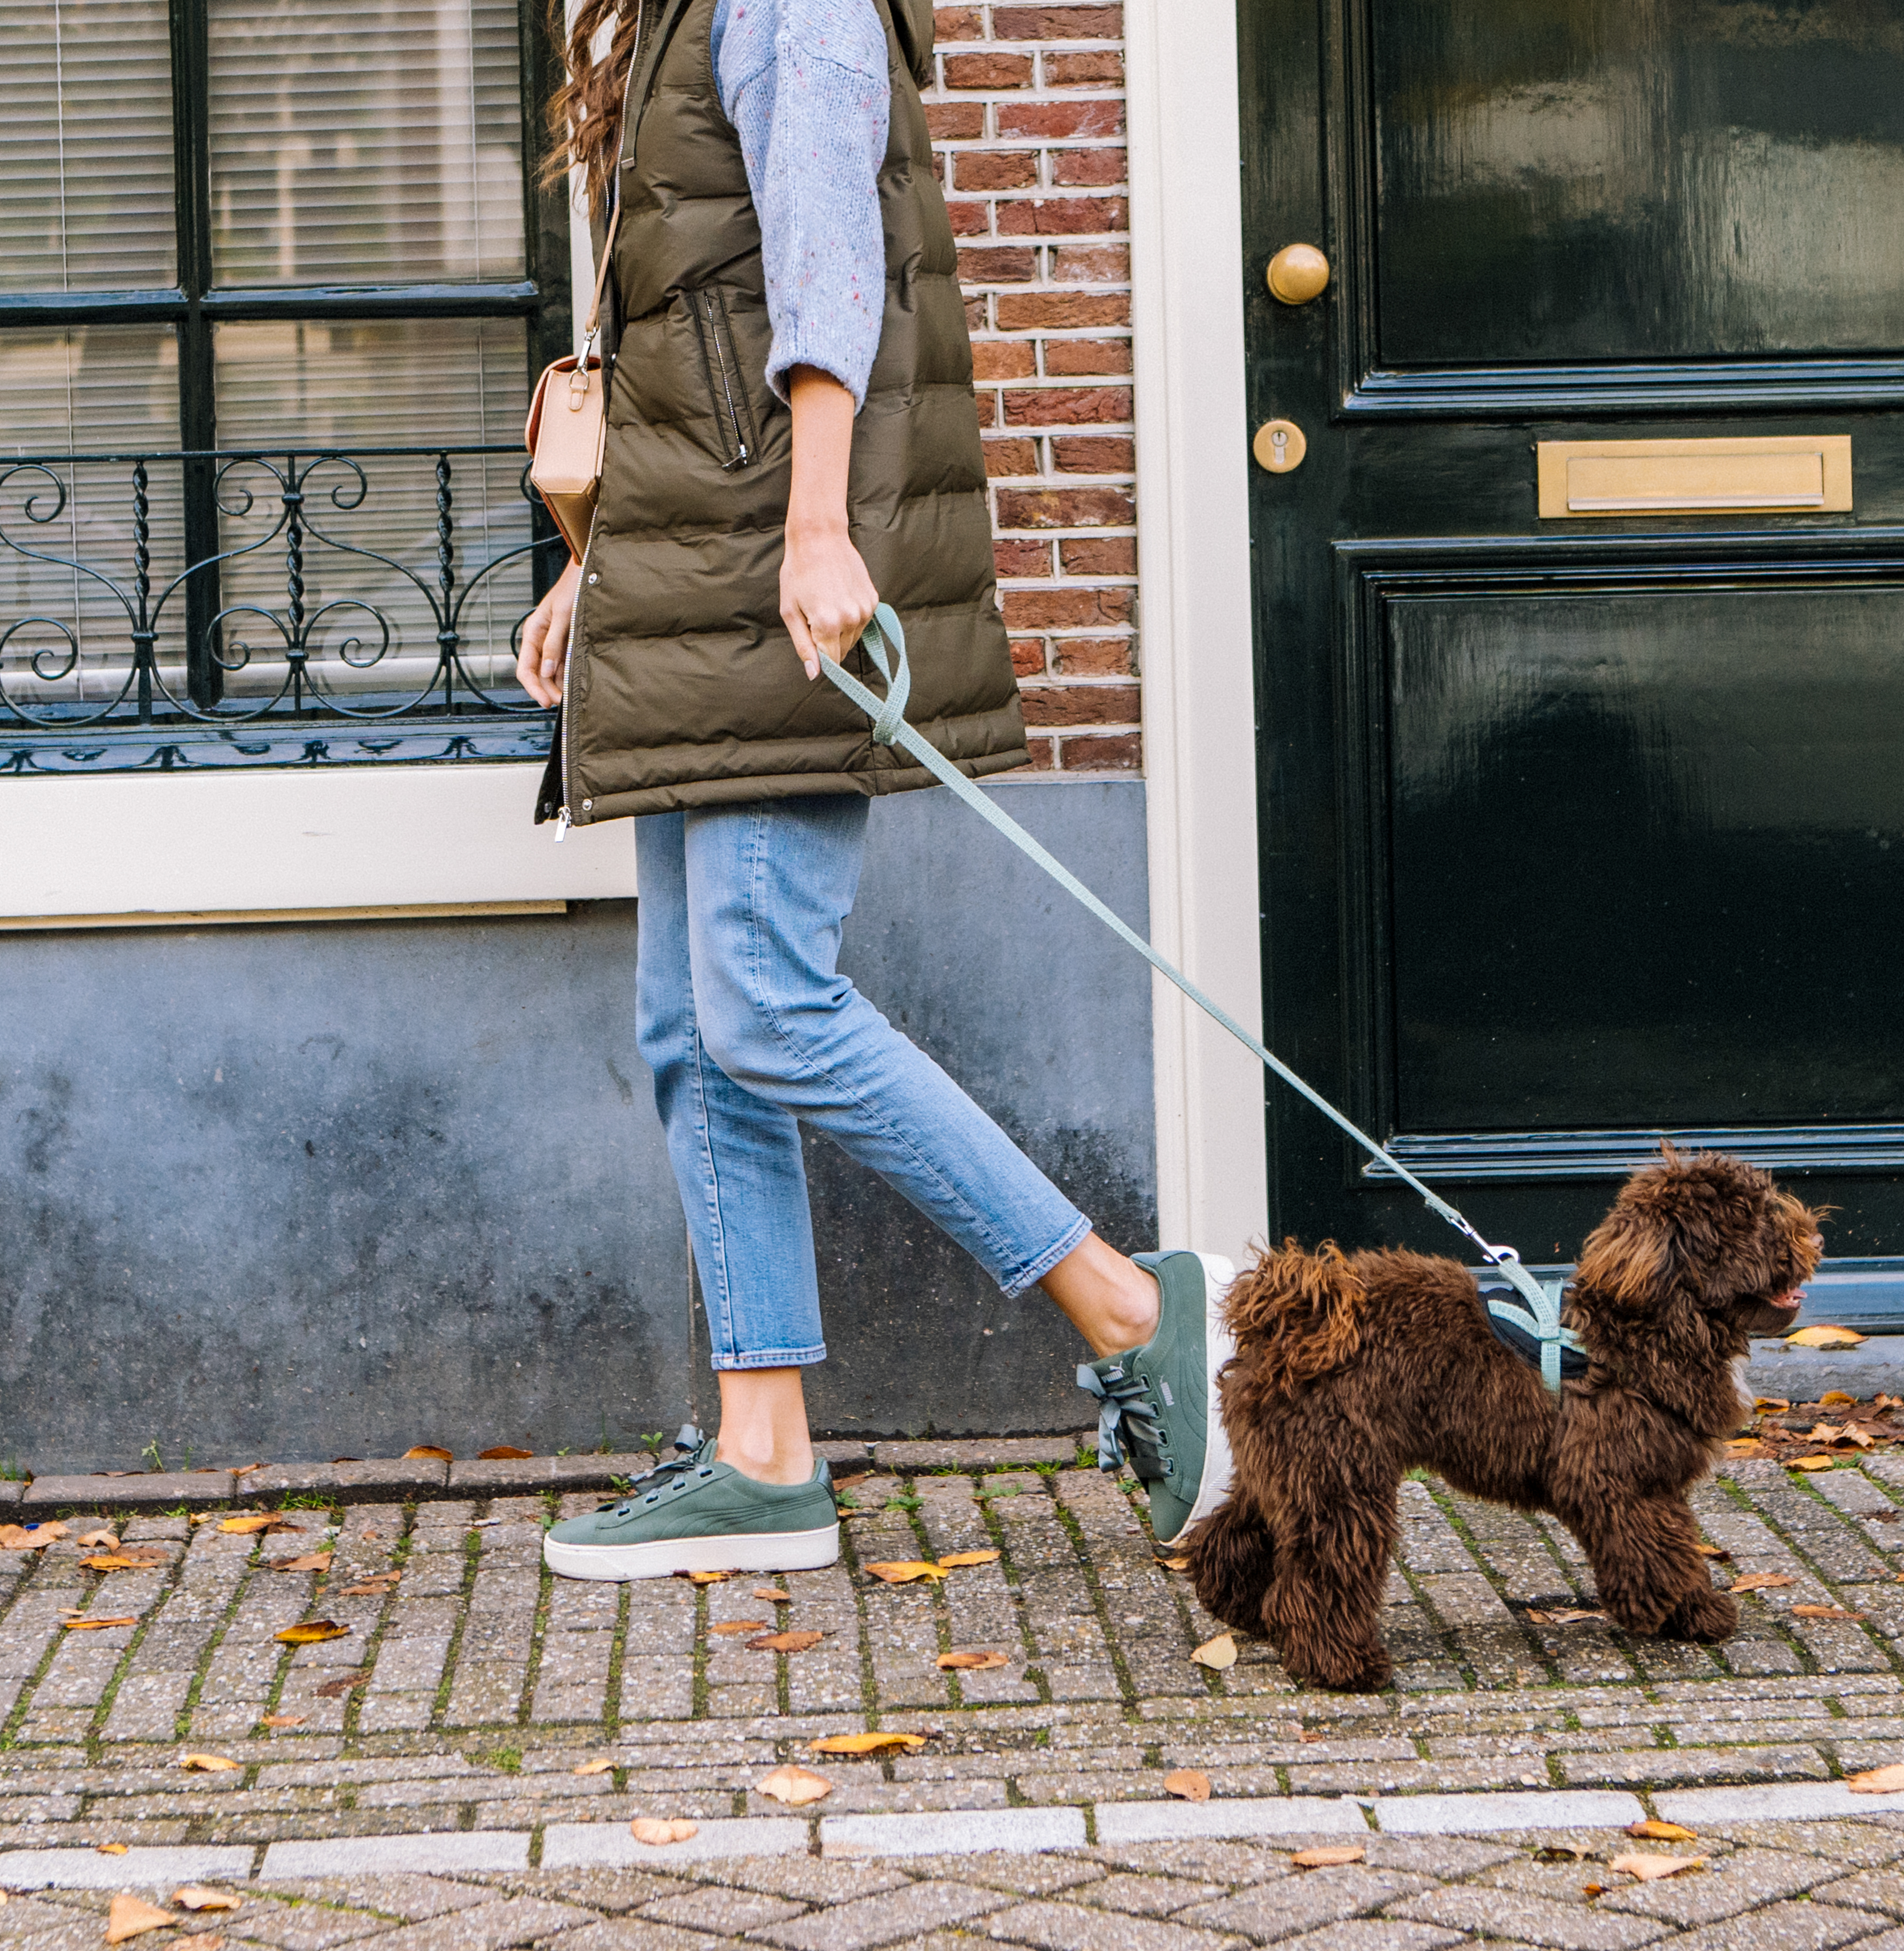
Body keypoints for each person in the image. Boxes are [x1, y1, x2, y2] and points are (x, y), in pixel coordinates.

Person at [510, 0, 1227, 1579]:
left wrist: (821, 531)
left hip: (780, 564)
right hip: (703, 568)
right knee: (693, 1024)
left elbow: (830, 274)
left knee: (764, 997)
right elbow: (681, 321)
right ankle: (762, 1448)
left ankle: (1133, 1311)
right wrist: (601, 569)